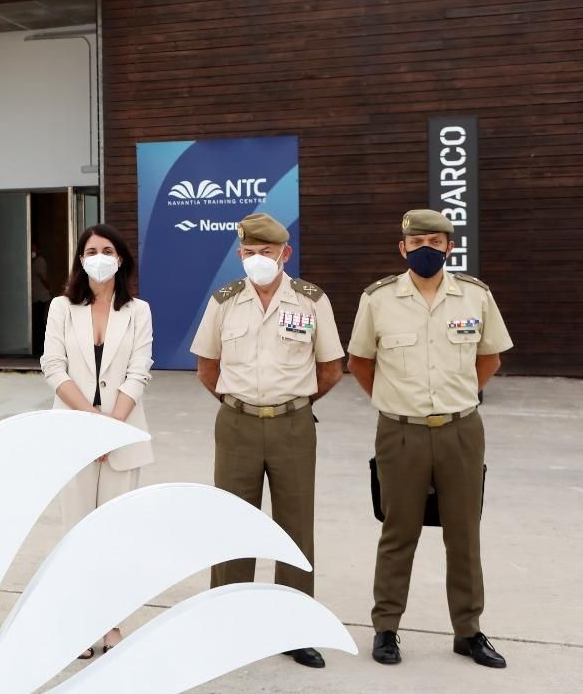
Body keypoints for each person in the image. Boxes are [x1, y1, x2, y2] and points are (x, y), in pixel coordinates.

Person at [347, 209, 513, 669]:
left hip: (461, 429)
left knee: (464, 532)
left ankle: (469, 630)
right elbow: (360, 362)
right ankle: (386, 629)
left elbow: (490, 359)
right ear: (402, 248)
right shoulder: (378, 299)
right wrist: (393, 399)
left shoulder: (475, 297)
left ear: (449, 247)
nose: (426, 249)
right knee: (399, 531)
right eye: (417, 242)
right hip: (400, 432)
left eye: (436, 242)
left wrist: (460, 397)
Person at [189, 212, 343, 669]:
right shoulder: (224, 300)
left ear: (285, 254)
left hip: (293, 425)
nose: (258, 259)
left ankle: (293, 628)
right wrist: (242, 404)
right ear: (240, 256)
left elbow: (332, 367)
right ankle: (227, 623)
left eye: (267, 252)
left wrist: (291, 402)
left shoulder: (312, 300)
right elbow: (207, 368)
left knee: (295, 526)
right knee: (231, 524)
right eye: (249, 253)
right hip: (236, 423)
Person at [39, 224, 153, 657]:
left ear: (120, 258)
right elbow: (53, 367)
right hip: (74, 435)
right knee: (76, 536)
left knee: (114, 536)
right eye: (91, 250)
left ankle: (110, 625)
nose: (99, 256)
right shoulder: (61, 308)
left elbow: (139, 371)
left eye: (107, 250)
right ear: (80, 259)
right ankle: (77, 626)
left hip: (123, 436)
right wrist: (91, 425)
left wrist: (112, 428)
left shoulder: (138, 310)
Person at [31, 242, 54, 357]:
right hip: (37, 296)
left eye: (33, 248)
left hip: (41, 296)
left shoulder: (39, 261)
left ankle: (42, 346)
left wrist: (49, 288)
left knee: (40, 322)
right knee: (38, 322)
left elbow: (43, 278)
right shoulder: (36, 261)